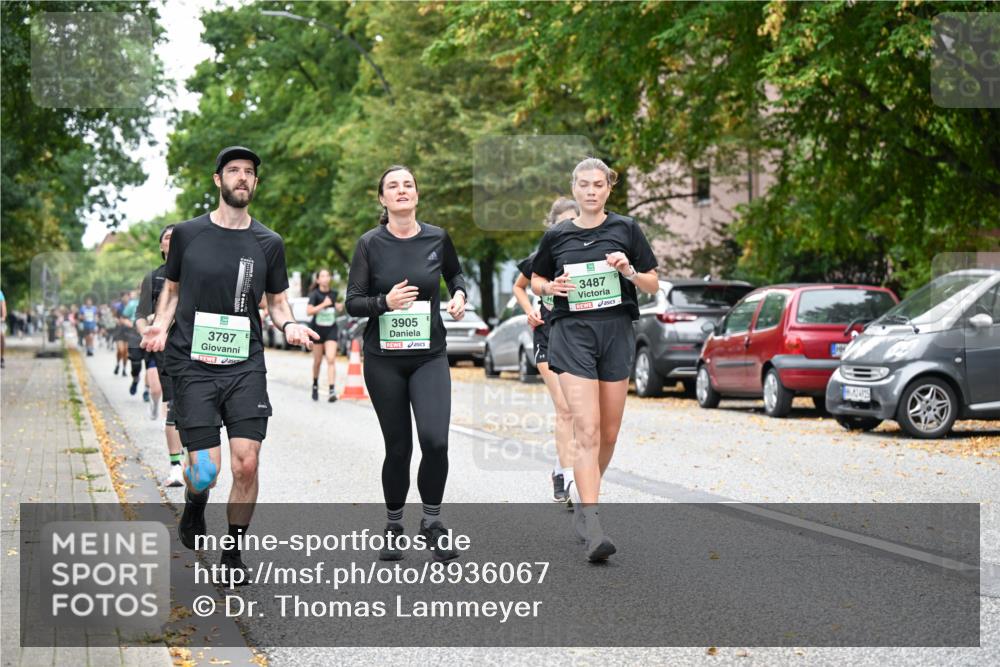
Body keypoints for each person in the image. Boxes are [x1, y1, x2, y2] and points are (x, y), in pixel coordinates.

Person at [141, 146, 317, 582]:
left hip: (244, 363)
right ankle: (195, 504)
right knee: (204, 471)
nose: (242, 177)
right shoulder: (186, 234)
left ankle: (233, 552)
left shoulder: (268, 243)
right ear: (218, 180)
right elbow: (174, 290)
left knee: (246, 463)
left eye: (249, 172)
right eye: (234, 171)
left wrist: (290, 324)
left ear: (256, 184)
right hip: (192, 364)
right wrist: (161, 325)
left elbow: (276, 302)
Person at [531, 157, 659, 562]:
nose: (591, 191)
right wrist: (551, 286)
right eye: (584, 184)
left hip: (616, 332)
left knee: (608, 433)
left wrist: (630, 272)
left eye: (598, 184)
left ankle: (588, 498)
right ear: (574, 189)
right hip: (572, 335)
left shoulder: (626, 229)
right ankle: (593, 523)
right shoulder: (557, 236)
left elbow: (653, 283)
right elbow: (535, 280)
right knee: (585, 429)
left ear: (608, 188)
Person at [346, 165, 467, 562]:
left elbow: (456, 273)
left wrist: (460, 295)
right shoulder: (369, 244)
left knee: (435, 441)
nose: (402, 190)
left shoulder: (437, 237)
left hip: (429, 355)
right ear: (382, 199)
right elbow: (353, 301)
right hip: (384, 360)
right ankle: (394, 524)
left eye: (408, 185)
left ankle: (432, 522)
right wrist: (385, 303)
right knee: (398, 448)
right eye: (393, 186)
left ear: (416, 195)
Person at [512, 197, 580, 504]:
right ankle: (567, 479)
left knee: (581, 412)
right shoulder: (542, 256)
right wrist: (529, 311)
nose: (568, 228)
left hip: (579, 339)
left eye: (573, 221)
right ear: (553, 227)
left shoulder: (588, 254)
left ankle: (559, 467)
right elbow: (518, 286)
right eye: (562, 223)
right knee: (565, 408)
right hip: (547, 336)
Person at [135, 224, 184, 487]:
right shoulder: (153, 278)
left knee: (196, 409)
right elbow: (141, 316)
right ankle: (176, 466)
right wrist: (148, 332)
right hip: (167, 351)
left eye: (178, 238)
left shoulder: (196, 274)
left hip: (197, 351)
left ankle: (195, 458)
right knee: (175, 406)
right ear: (161, 246)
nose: (173, 241)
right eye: (168, 237)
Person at [306, 268, 342, 402]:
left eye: (328, 275)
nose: (326, 278)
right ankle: (315, 385)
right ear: (318, 280)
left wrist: (338, 307)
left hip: (331, 329)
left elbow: (335, 308)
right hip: (317, 331)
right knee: (318, 361)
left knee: (331, 359)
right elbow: (309, 311)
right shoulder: (314, 294)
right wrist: (324, 304)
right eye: (323, 276)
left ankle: (332, 390)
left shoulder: (334, 293)